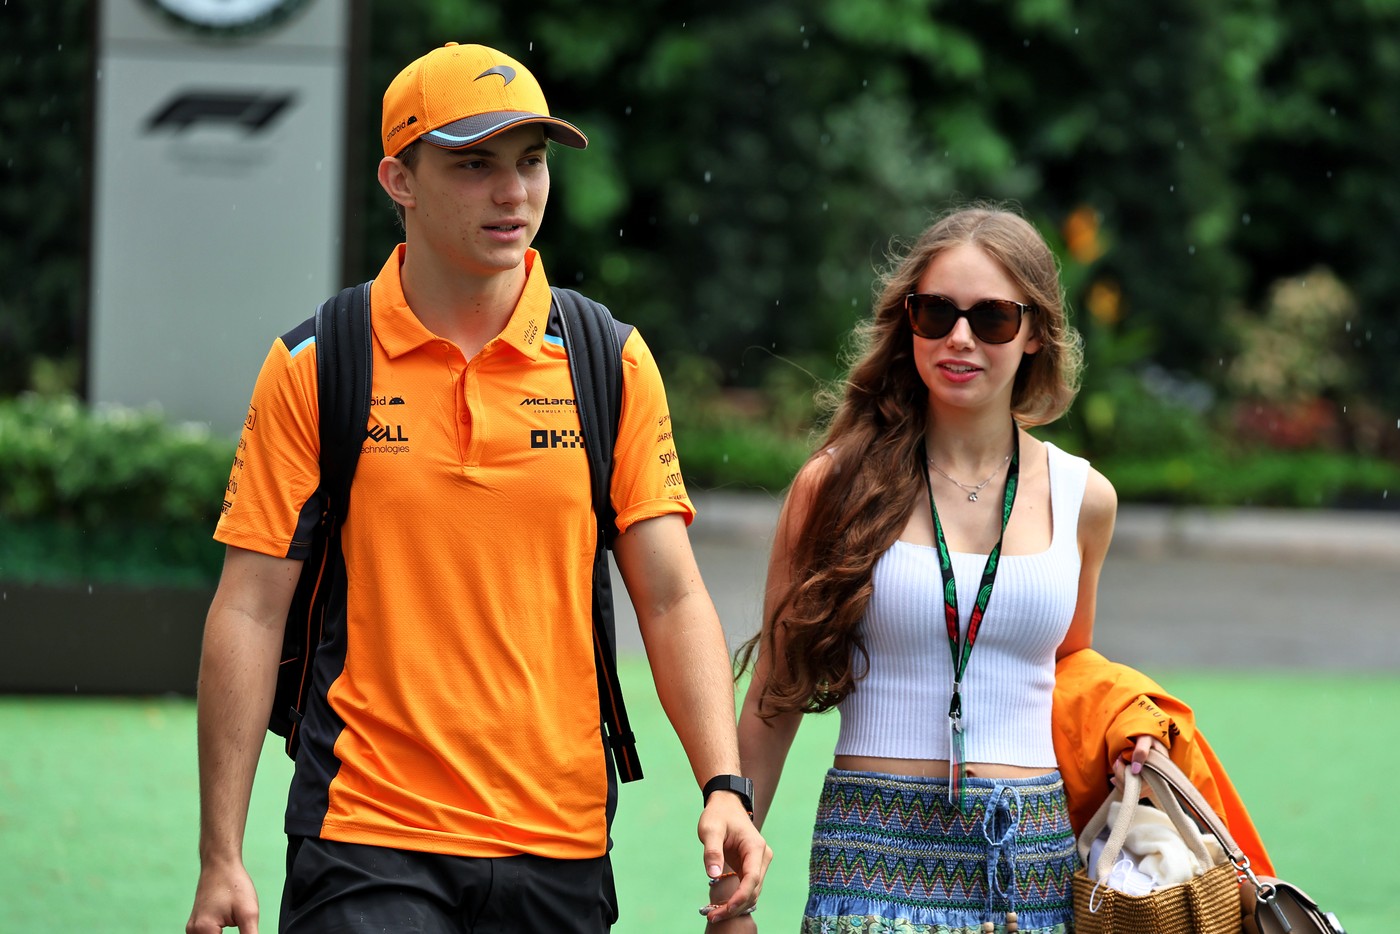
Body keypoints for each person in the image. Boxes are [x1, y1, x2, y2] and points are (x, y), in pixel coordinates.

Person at [186, 42, 769, 934]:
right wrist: (220, 852)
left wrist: (724, 784)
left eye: (531, 163)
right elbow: (250, 610)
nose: (515, 193)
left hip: (561, 841)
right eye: (475, 165)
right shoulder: (317, 363)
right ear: (400, 179)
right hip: (366, 835)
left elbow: (672, 592)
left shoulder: (607, 360)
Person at [725, 204, 1151, 933]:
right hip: (870, 856)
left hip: (1030, 872)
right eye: (936, 313)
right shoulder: (834, 486)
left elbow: (1069, 666)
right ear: (908, 322)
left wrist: (1128, 723)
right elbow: (775, 697)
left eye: (991, 319)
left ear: (1035, 332)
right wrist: (733, 895)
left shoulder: (1086, 498)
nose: (960, 338)